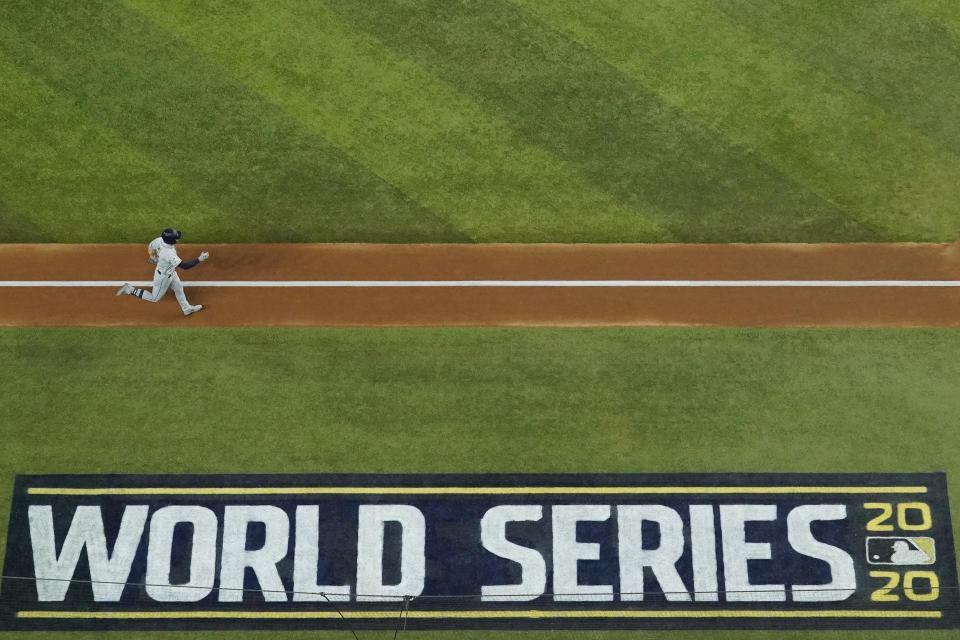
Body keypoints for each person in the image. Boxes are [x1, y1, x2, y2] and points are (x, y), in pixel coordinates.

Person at [116, 228, 209, 316]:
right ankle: (129, 289)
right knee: (154, 298)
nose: (178, 240)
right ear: (172, 241)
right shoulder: (168, 253)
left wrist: (153, 256)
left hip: (170, 272)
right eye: (176, 239)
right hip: (163, 277)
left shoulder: (160, 240)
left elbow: (151, 246)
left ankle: (187, 308)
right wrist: (199, 259)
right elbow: (185, 266)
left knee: (179, 288)